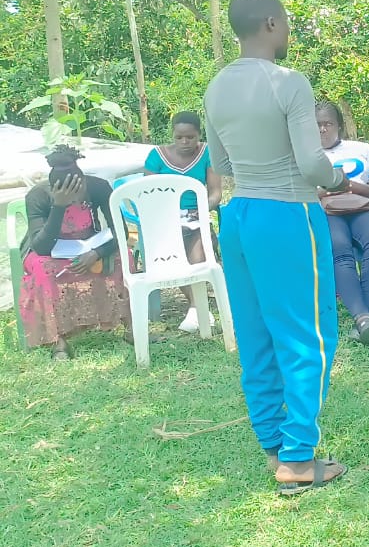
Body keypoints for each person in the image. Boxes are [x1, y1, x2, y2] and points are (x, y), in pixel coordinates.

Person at [204, 0, 352, 495]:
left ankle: (273, 445)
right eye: (285, 21)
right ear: (270, 23)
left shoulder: (216, 88)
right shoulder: (289, 82)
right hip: (288, 215)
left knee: (257, 336)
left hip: (240, 216)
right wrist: (338, 179)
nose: (288, 30)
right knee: (306, 337)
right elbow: (311, 163)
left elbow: (221, 163)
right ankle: (297, 458)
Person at [19, 145, 128, 361]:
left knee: (123, 259)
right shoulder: (37, 196)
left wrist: (96, 253)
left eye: (78, 190)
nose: (76, 198)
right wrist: (59, 207)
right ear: (54, 189)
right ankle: (58, 341)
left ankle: (131, 327)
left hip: (89, 247)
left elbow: (120, 231)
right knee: (43, 269)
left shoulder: (99, 187)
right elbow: (41, 247)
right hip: (48, 252)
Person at [316, 100, 369, 347]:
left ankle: (363, 318)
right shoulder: (304, 156)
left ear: (339, 126)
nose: (322, 129)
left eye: (328, 124)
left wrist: (350, 186)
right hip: (326, 213)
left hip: (362, 208)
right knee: (338, 246)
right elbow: (296, 196)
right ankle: (363, 318)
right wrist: (326, 191)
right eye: (317, 125)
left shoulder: (361, 149)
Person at [143, 110, 222, 333]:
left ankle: (196, 309)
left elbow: (215, 193)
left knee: (198, 251)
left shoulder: (208, 153)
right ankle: (199, 308)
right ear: (172, 135)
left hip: (197, 215)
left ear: (199, 135)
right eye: (179, 137)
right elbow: (148, 194)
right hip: (165, 218)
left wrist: (201, 210)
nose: (184, 142)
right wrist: (167, 216)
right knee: (172, 255)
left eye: (190, 137)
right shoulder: (157, 156)